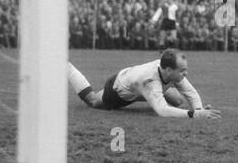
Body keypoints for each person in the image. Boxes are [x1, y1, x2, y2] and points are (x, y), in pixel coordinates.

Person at [68, 49, 220, 118]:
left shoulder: (169, 71)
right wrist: (194, 114)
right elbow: (162, 112)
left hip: (135, 81)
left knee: (178, 100)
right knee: (93, 101)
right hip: (118, 89)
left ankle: (149, 97)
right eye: (182, 71)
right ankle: (67, 67)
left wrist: (199, 109)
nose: (185, 74)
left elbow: (190, 92)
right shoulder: (150, 81)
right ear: (168, 70)